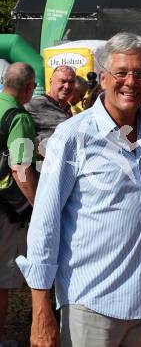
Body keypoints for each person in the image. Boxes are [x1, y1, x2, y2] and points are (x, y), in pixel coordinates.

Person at [16, 32, 141, 347]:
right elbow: (45, 221)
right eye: (121, 72)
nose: (130, 82)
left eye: (140, 73)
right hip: (91, 305)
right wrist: (41, 309)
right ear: (103, 77)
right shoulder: (72, 136)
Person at [0, 62, 38, 343]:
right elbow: (21, 168)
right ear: (28, 88)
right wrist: (39, 205)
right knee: (2, 280)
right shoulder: (19, 117)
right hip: (6, 210)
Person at [25, 65, 76, 143]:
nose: (67, 86)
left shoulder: (68, 109)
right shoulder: (36, 104)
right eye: (63, 81)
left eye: (71, 82)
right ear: (51, 82)